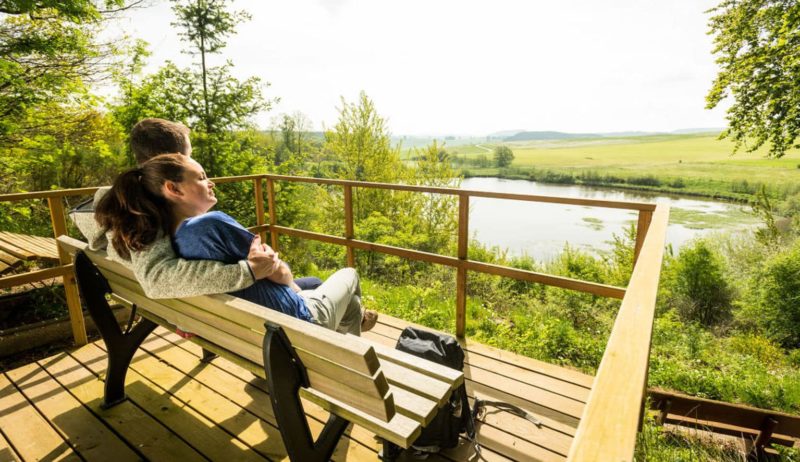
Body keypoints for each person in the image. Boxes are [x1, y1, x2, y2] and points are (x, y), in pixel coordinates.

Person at [95, 153, 378, 335]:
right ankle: (347, 353)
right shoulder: (210, 226)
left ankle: (354, 326)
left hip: (241, 333)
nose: (211, 182)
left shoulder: (154, 240)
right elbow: (281, 274)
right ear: (174, 188)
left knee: (344, 300)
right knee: (349, 275)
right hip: (296, 325)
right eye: (202, 177)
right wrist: (264, 274)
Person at [71, 118, 321, 298]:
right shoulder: (148, 218)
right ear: (172, 163)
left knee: (315, 285)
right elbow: (157, 279)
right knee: (316, 284)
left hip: (192, 310)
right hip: (234, 314)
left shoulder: (122, 210)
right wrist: (251, 271)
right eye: (190, 156)